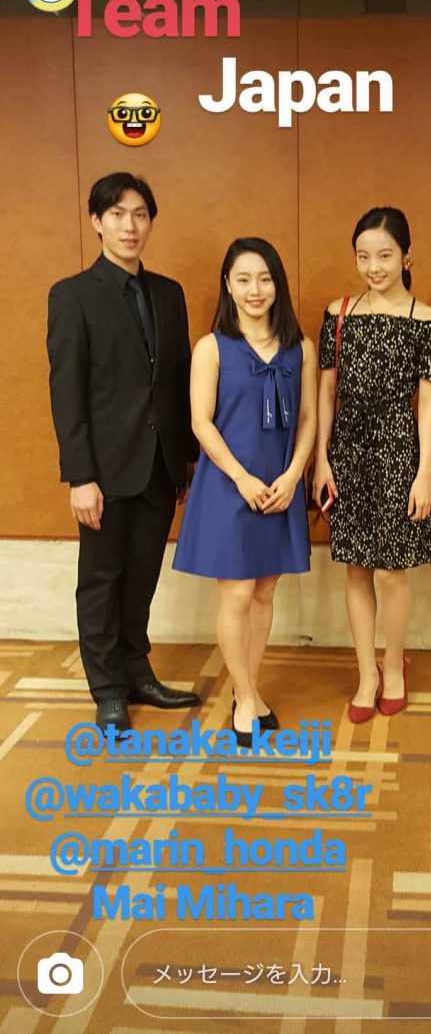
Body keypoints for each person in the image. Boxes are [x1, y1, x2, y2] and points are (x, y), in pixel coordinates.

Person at [47, 172, 201, 734]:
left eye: (139, 214)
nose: (129, 225)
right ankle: (108, 688)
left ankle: (137, 672)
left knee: (141, 577)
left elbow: (178, 379)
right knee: (102, 580)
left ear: (150, 221)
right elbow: (67, 392)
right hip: (104, 472)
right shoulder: (73, 296)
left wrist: (184, 460)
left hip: (160, 466)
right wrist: (80, 476)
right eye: (116, 214)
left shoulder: (168, 293)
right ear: (97, 221)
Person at [173, 238, 315, 747]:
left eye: (265, 278)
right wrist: (241, 477)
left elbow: (308, 419)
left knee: (264, 593)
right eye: (244, 279)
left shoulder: (301, 348)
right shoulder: (211, 348)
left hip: (280, 486)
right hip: (229, 484)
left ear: (278, 284)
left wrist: (294, 475)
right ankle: (247, 697)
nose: (255, 290)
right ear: (227, 286)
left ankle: (246, 690)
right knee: (236, 594)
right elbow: (201, 422)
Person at [314, 207, 431, 723]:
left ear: (407, 257)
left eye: (385, 256)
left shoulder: (427, 320)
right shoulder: (339, 313)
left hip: (399, 449)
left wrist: (424, 473)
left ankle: (393, 667)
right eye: (364, 256)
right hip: (348, 449)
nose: (373, 267)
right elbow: (326, 391)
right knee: (356, 568)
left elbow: (430, 403)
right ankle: (366, 673)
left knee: (392, 572)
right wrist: (322, 459)